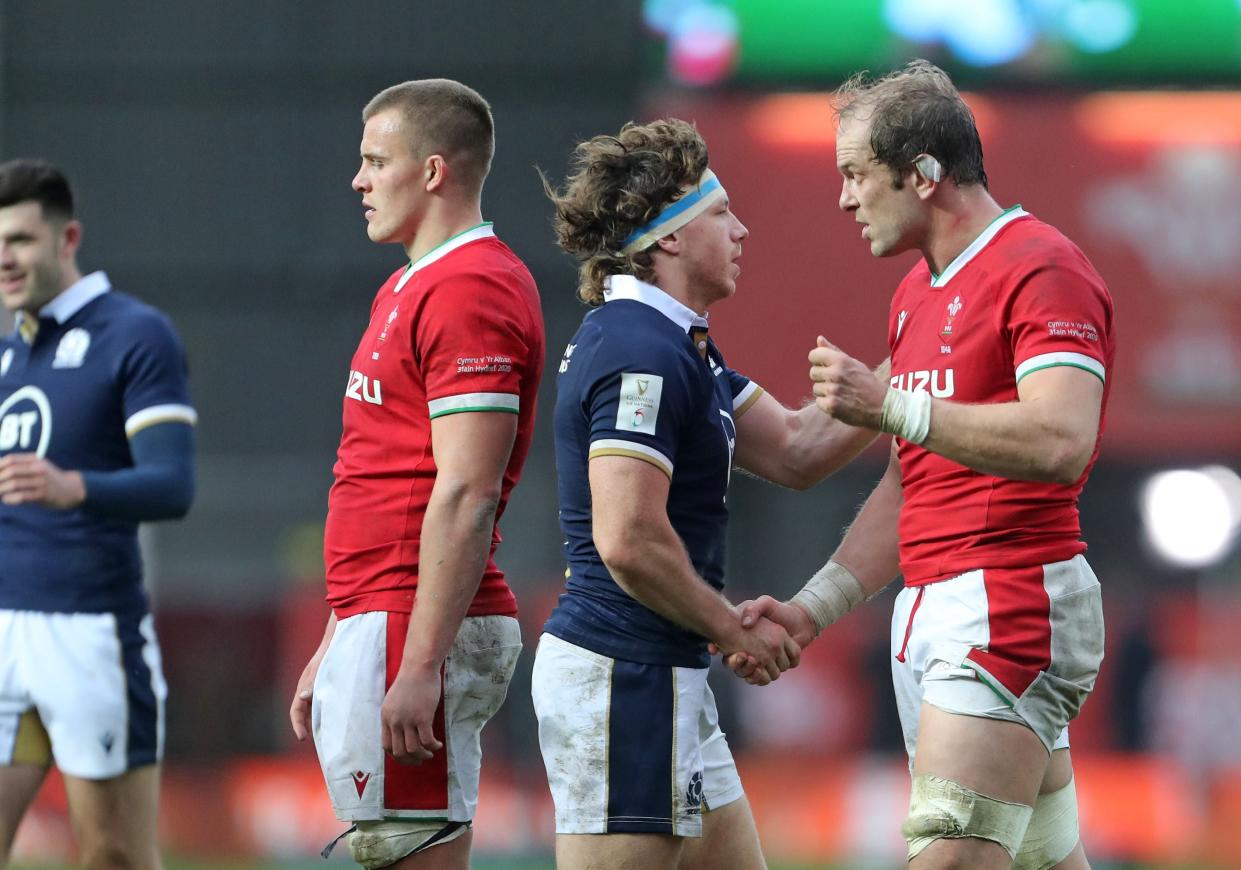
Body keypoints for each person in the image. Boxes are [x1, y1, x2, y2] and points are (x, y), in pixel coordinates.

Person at [734, 60, 1113, 869]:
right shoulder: (917, 291)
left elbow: (1060, 440)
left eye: (855, 174)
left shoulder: (1040, 266)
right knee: (1043, 862)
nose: (843, 198)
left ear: (924, 173)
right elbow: (914, 481)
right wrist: (810, 611)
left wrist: (891, 406)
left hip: (1006, 598)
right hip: (941, 604)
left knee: (948, 856)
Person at [534, 118, 884, 870]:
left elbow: (797, 449)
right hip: (624, 672)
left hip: (660, 671)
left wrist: (925, 354)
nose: (742, 229)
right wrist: (730, 628)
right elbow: (626, 538)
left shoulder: (678, 344)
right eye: (720, 212)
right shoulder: (641, 348)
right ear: (667, 238)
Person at [288, 79, 545, 870]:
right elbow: (389, 473)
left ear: (432, 171)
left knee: (408, 853)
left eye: (375, 161)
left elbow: (466, 492)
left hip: (409, 620)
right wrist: (340, 627)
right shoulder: (407, 283)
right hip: (381, 611)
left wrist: (420, 660)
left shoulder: (470, 286)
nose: (357, 181)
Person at [0, 159, 197, 867]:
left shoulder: (135, 335)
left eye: (19, 238)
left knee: (112, 855)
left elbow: (172, 486)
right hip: (3, 628)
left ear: (67, 237)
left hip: (89, 633)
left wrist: (73, 487)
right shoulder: (6, 355)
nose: (4, 258)